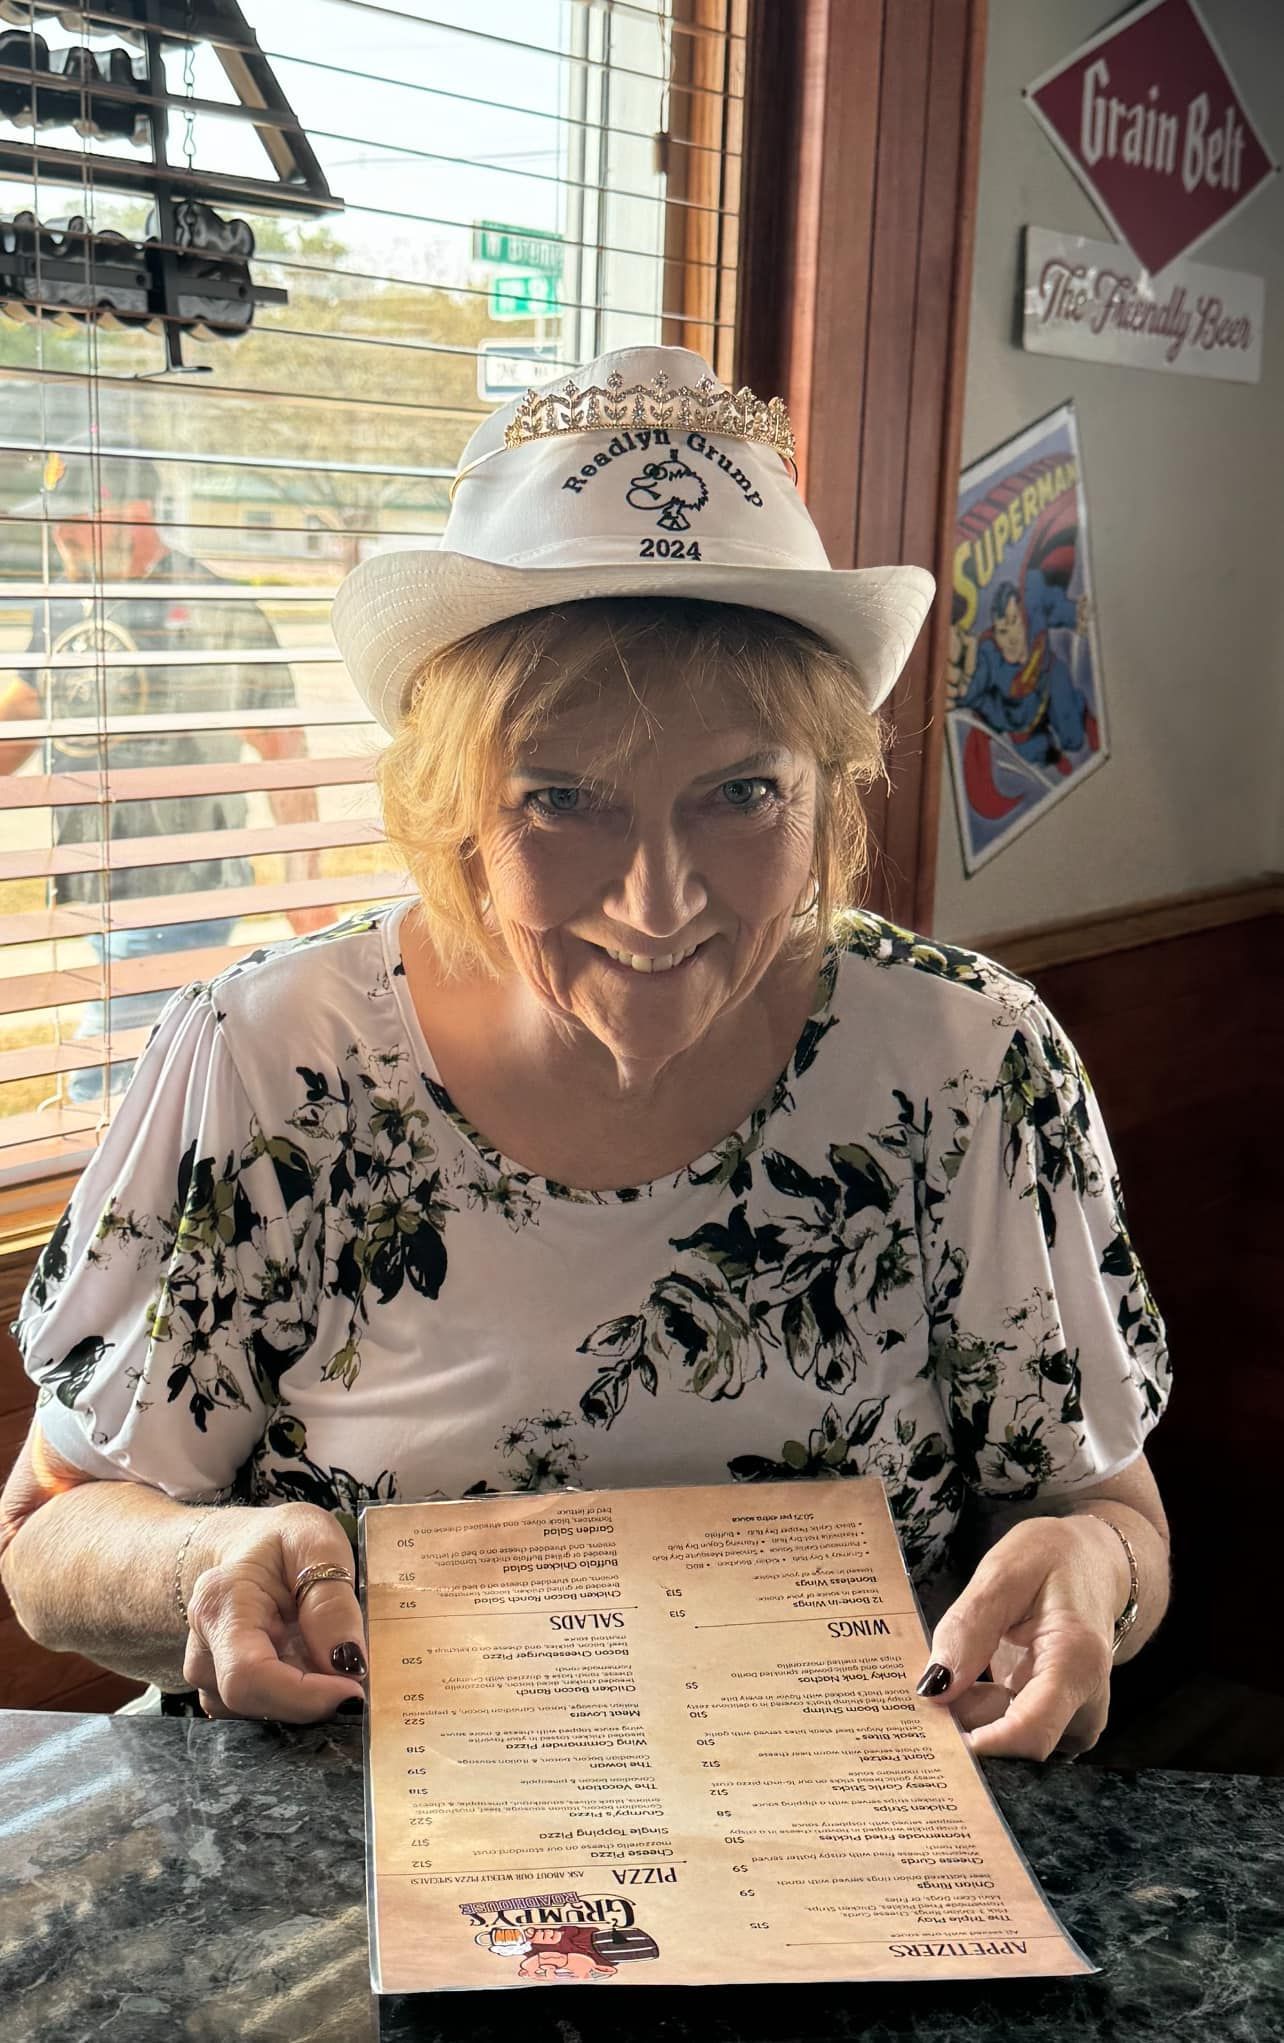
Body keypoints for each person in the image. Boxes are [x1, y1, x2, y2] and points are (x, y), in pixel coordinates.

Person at [0, 346, 1171, 1759]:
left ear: (826, 791)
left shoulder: (973, 1064)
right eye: (565, 798)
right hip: (351, 1859)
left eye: (741, 792)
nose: (657, 904)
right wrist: (202, 1562)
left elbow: (1105, 1509)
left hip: (838, 1843)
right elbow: (52, 1532)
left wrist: (1098, 1571)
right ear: (456, 809)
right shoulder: (269, 1057)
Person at [0, 446, 330, 1101]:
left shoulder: (208, 607)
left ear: (134, 513)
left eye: (74, 516)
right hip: (92, 887)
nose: (58, 533)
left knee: (106, 1088)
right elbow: (31, 703)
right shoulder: (63, 598)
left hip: (178, 893)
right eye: (53, 518)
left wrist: (304, 880)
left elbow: (281, 746)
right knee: (148, 1087)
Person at [947, 574, 1097, 773]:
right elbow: (969, 689)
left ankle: (1078, 718)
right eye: (1002, 631)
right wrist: (954, 692)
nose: (1012, 639)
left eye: (1013, 622)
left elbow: (1052, 604)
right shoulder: (988, 656)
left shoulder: (1034, 611)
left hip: (1050, 683)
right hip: (1021, 723)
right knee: (1042, 759)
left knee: (1074, 739)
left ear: (1022, 616)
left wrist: (1074, 614)